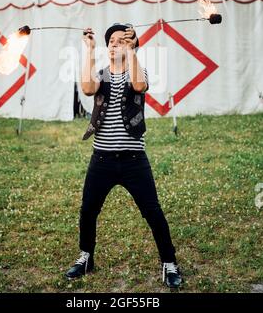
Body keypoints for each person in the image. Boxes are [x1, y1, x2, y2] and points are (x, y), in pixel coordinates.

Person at [65, 23, 182, 288]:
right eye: (112, 41)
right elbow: (86, 88)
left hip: (133, 160)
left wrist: (132, 53)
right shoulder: (101, 75)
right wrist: (90, 49)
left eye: (122, 41)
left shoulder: (138, 71)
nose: (115, 44)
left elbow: (139, 86)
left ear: (131, 46)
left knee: (153, 212)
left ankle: (169, 262)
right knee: (88, 211)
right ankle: (86, 257)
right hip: (102, 159)